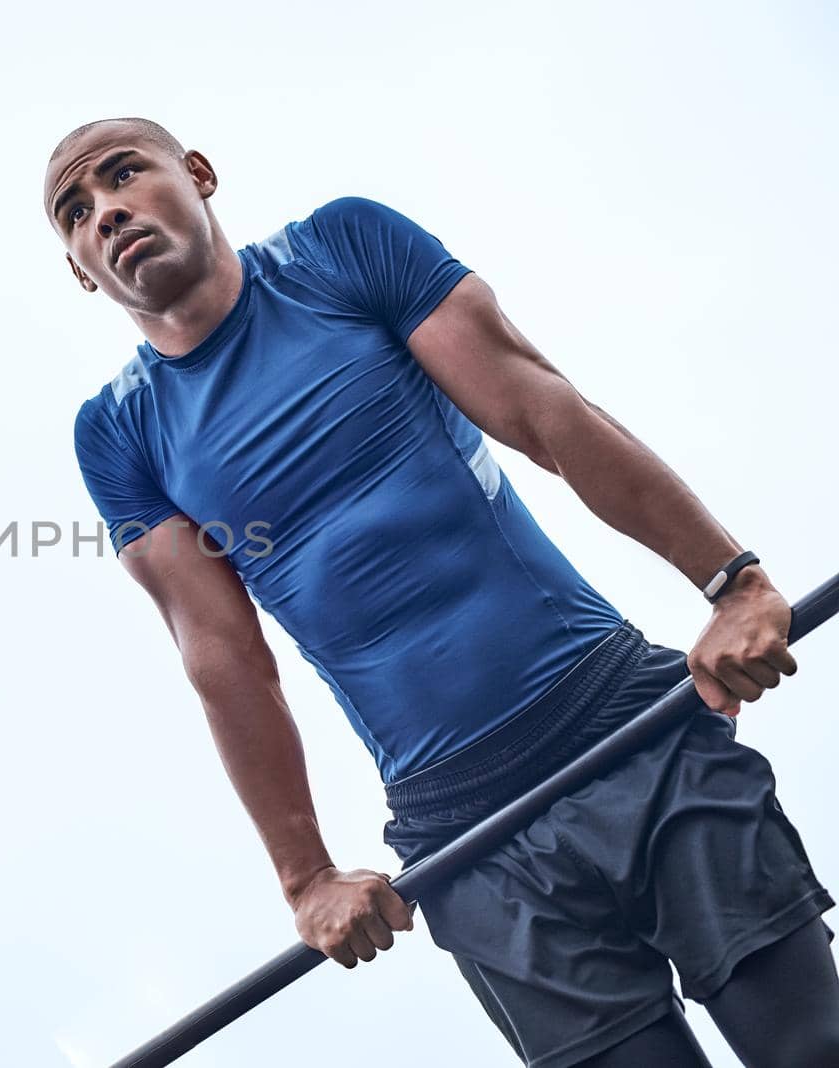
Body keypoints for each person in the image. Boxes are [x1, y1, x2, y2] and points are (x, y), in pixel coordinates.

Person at [46, 116, 839, 1067]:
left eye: (124, 174)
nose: (108, 212)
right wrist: (306, 880)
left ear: (200, 174)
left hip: (622, 724)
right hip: (464, 833)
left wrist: (732, 583)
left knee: (811, 1045)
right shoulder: (119, 433)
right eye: (77, 214)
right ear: (83, 272)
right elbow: (221, 654)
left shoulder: (341, 247)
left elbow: (539, 408)